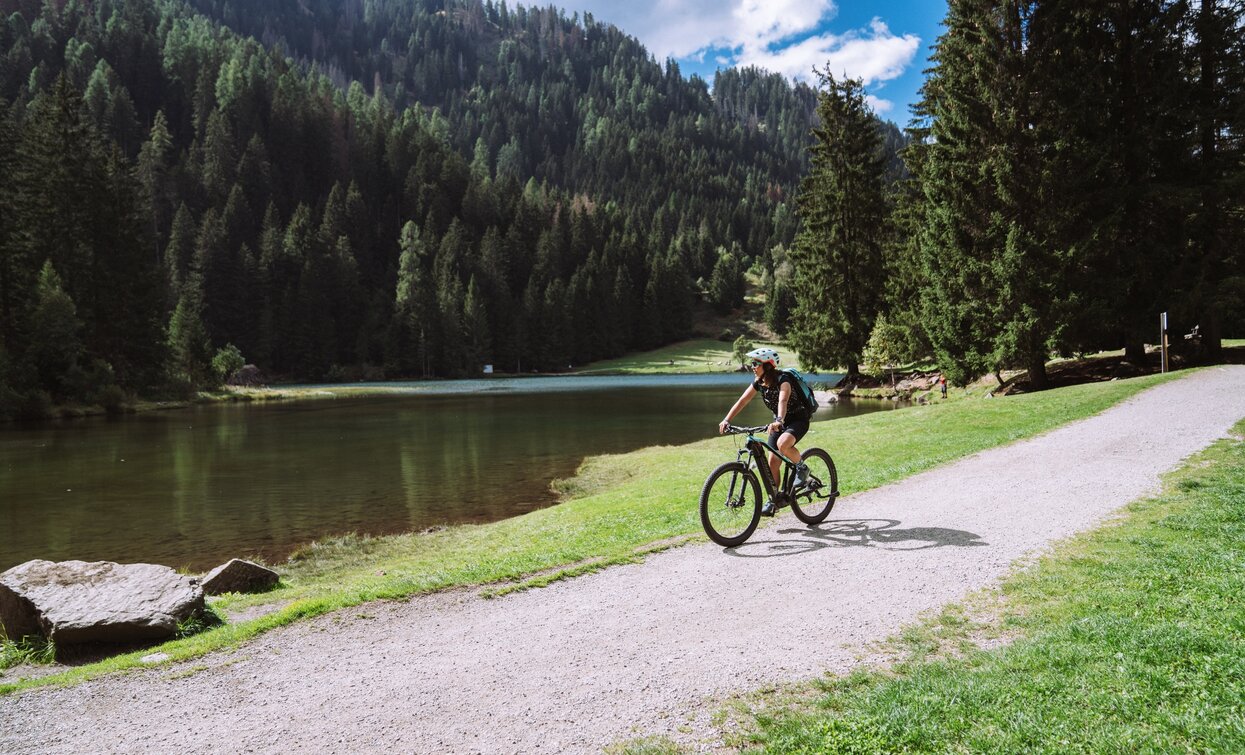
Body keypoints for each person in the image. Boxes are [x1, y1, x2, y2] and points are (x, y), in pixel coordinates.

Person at [718, 347, 811, 516]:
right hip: (778, 422)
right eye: (752, 363)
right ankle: (774, 499)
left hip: (797, 419)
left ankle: (802, 468)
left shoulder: (784, 380)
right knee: (773, 462)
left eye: (756, 363)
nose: (752, 367)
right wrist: (727, 419)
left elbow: (783, 400)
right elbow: (743, 400)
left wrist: (779, 421)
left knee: (783, 444)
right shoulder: (759, 383)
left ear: (767, 366)